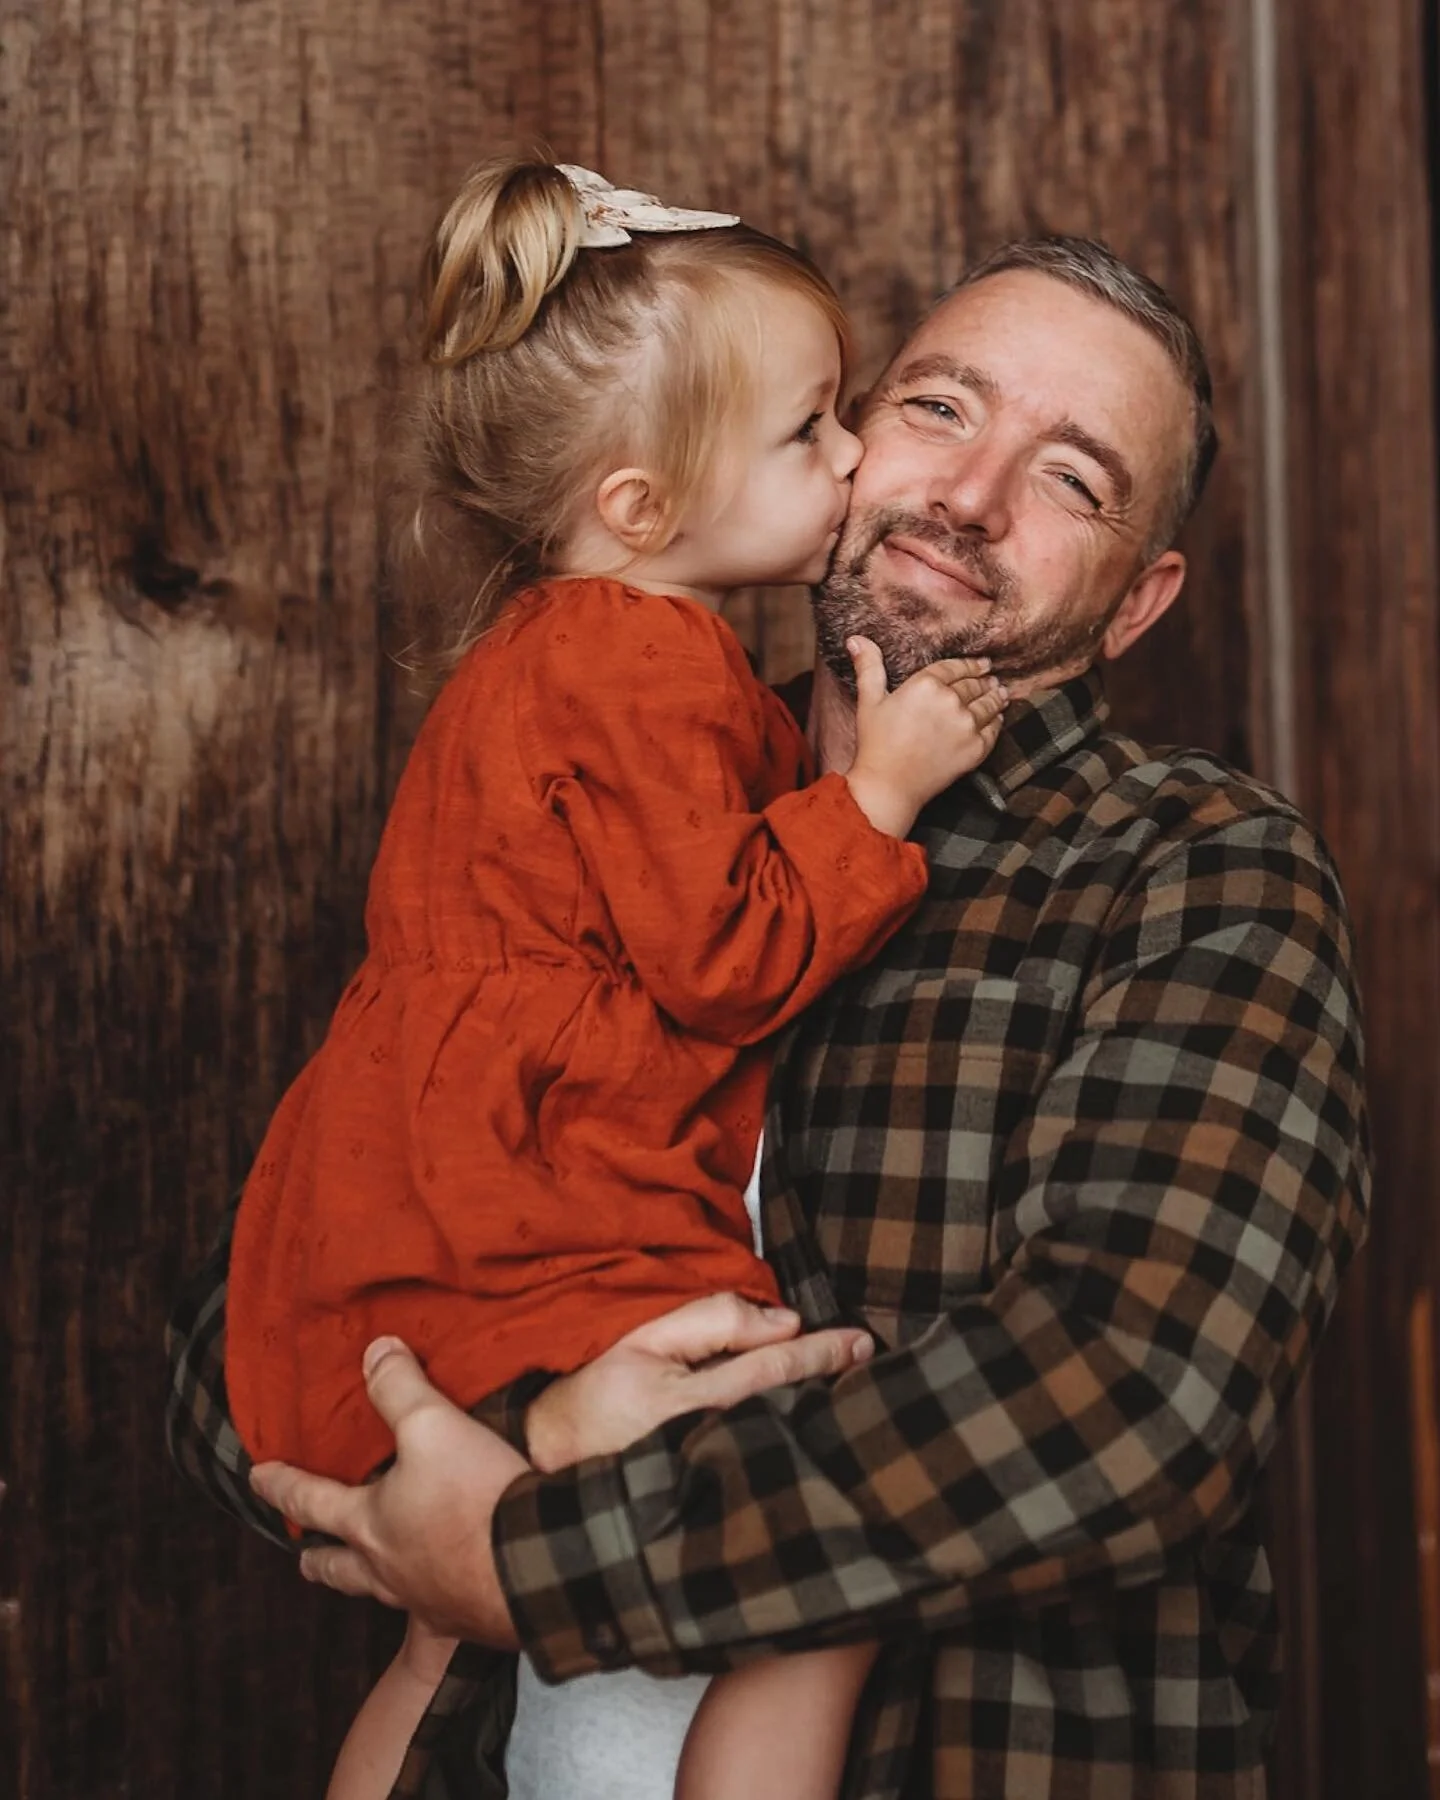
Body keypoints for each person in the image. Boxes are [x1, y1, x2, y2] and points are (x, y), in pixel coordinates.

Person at [170, 233, 1371, 1800]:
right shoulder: (589, 784)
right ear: (841, 440)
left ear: (1136, 608)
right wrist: (512, 1428)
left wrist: (543, 1548)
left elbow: (1126, 1400)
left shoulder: (1200, 877)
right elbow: (259, 1318)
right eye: (941, 409)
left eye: (1073, 480)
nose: (973, 494)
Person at [214, 154, 1010, 1800]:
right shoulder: (642, 658)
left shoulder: (550, 646)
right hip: (528, 1201)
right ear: (644, 508)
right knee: (813, 1560)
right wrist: (879, 795)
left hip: (407, 1203)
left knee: (447, 1626)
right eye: (811, 430)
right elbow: (721, 957)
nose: (855, 454)